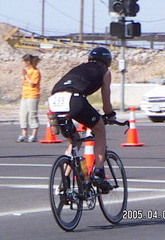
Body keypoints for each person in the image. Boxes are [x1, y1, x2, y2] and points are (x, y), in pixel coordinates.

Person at [48, 47, 116, 192]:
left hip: (54, 100)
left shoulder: (80, 67)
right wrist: (110, 115)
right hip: (74, 99)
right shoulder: (104, 71)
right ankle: (99, 173)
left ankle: (64, 182)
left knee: (74, 140)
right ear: (108, 61)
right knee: (99, 129)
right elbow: (106, 103)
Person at [16, 54, 41, 143]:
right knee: (23, 114)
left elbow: (32, 83)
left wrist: (26, 75)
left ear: (28, 62)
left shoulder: (35, 72)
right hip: (25, 94)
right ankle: (24, 134)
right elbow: (23, 80)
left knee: (32, 114)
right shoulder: (26, 70)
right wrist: (24, 75)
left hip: (33, 95)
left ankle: (34, 135)